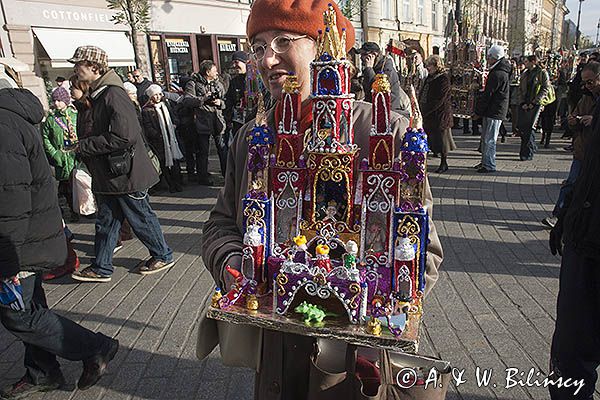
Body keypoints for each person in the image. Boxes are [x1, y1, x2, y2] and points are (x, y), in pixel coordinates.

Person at [197, 1, 443, 398]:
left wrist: (375, 316)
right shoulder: (253, 136)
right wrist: (232, 264)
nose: (267, 58)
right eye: (257, 46)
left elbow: (424, 251)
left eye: (283, 41)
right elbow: (221, 224)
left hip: (353, 362)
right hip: (275, 354)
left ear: (324, 49)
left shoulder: (387, 133)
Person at [0, 84, 118, 399]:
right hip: (28, 236)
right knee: (30, 306)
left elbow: (10, 199)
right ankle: (42, 372)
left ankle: (95, 347)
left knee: (18, 314)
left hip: (19, 241)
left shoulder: (3, 123)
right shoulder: (12, 116)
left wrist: (6, 259)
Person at [67, 45, 174, 282]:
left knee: (140, 216)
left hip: (125, 173)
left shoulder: (112, 94)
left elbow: (124, 135)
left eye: (78, 64)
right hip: (111, 174)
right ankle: (102, 266)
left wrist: (84, 146)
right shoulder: (100, 93)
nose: (75, 69)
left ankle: (163, 254)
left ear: (94, 67)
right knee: (106, 220)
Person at [548, 61, 600, 400]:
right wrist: (567, 214)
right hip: (585, 235)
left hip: (591, 245)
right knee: (570, 354)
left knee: (573, 351)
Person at [542, 61, 600, 229]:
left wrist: (594, 120)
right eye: (584, 82)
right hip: (582, 150)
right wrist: (573, 120)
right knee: (571, 184)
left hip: (594, 153)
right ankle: (558, 216)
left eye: (590, 82)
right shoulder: (586, 96)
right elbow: (573, 118)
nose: (587, 86)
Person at [185, 60, 227, 183]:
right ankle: (202, 177)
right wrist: (204, 98)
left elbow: (225, 99)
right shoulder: (192, 83)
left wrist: (220, 103)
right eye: (214, 71)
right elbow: (187, 101)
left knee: (223, 150)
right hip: (202, 121)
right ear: (208, 72)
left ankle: (227, 175)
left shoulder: (218, 83)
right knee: (203, 152)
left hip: (218, 120)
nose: (217, 73)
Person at [41, 86, 80, 220]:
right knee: (66, 187)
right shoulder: (51, 120)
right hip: (61, 156)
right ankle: (73, 211)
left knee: (81, 183)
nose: (56, 103)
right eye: (54, 100)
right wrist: (54, 154)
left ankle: (86, 208)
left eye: (59, 100)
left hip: (76, 155)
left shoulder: (75, 115)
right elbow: (45, 138)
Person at [473, 45, 511, 173]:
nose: (488, 59)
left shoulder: (497, 74)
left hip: (494, 111)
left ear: (495, 58)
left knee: (489, 139)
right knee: (486, 138)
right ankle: (485, 161)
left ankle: (489, 164)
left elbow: (488, 95)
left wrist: (478, 111)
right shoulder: (499, 71)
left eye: (489, 57)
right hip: (493, 109)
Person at [142, 84, 184, 193]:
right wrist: (157, 134)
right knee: (164, 164)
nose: (158, 97)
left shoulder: (166, 105)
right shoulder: (147, 110)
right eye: (155, 95)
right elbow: (148, 127)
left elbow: (174, 116)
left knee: (175, 162)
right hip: (159, 141)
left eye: (159, 94)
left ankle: (178, 183)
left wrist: (175, 124)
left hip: (172, 138)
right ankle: (170, 184)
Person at [420, 55, 455, 173]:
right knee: (431, 139)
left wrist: (426, 110)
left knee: (442, 140)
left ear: (436, 66)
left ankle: (444, 163)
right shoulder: (429, 77)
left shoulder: (443, 79)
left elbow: (439, 99)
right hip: (429, 114)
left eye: (429, 65)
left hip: (440, 115)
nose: (427, 68)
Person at [359, 41, 412, 119]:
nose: (361, 58)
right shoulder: (375, 68)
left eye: (364, 55)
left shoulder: (387, 69)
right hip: (375, 109)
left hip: (388, 112)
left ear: (373, 55)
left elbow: (378, 90)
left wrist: (369, 69)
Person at [518, 55, 550, 161]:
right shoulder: (525, 73)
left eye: (526, 61)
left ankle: (527, 152)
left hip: (536, 103)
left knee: (530, 127)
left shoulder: (541, 72)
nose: (524, 63)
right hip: (525, 102)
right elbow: (520, 89)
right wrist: (522, 102)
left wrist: (535, 102)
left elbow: (546, 88)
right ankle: (529, 148)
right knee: (522, 127)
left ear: (533, 62)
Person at [225, 50, 249, 146]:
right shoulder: (234, 81)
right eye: (233, 62)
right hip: (238, 123)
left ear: (245, 62)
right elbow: (229, 101)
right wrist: (228, 119)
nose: (234, 65)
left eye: (236, 62)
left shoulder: (256, 80)